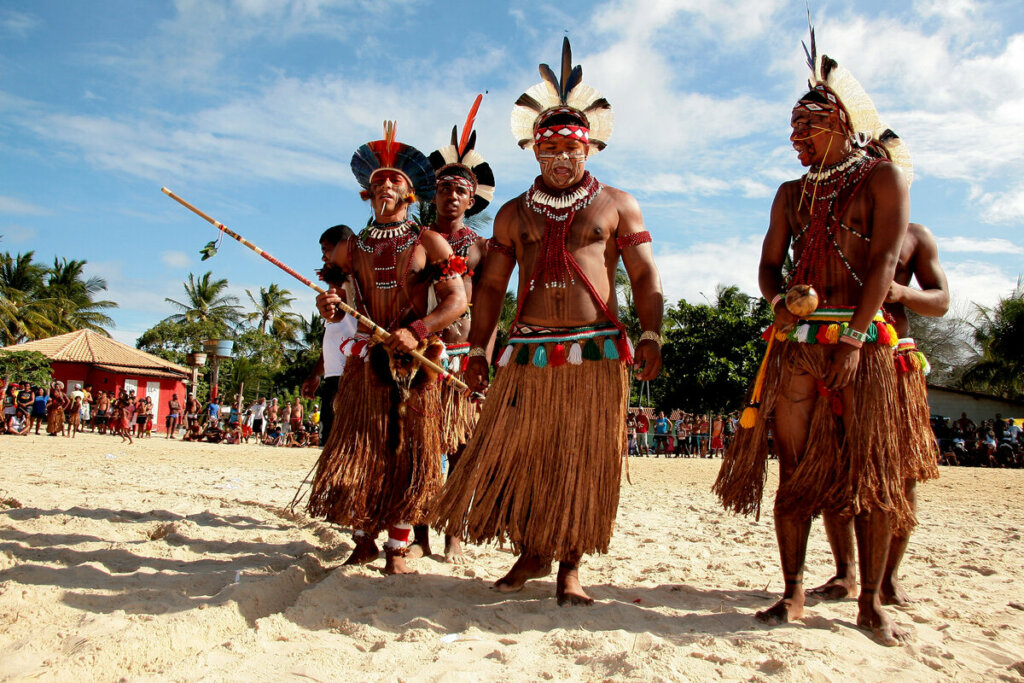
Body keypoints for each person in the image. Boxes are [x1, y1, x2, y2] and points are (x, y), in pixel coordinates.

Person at [430, 39, 663, 605]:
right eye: (549, 146)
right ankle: (532, 552)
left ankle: (569, 569)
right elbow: (489, 287)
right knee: (527, 454)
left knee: (579, 460)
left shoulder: (618, 205)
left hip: (597, 351)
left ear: (590, 149)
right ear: (533, 151)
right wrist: (481, 352)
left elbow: (646, 276)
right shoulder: (513, 213)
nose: (560, 157)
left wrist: (652, 333)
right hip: (529, 349)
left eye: (571, 147)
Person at [714, 25, 914, 646]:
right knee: (797, 467)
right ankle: (794, 590)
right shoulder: (790, 193)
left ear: (844, 123)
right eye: (792, 129)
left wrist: (855, 340)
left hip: (865, 343)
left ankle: (871, 602)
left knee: (873, 469)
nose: (796, 137)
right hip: (798, 345)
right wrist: (780, 302)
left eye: (810, 125)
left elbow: (882, 262)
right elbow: (768, 265)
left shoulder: (882, 180)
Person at [309, 120, 468, 574]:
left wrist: (418, 330)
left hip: (415, 367)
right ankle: (363, 541)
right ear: (366, 193)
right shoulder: (350, 248)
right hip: (365, 365)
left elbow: (457, 300)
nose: (385, 187)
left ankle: (398, 549)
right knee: (360, 451)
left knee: (408, 457)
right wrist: (331, 306)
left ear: (409, 193)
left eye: (394, 181)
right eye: (377, 181)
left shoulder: (428, 241)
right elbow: (339, 304)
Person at [807, 222, 949, 606]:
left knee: (900, 473)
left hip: (893, 359)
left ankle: (887, 577)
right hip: (835, 356)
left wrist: (901, 292)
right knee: (835, 466)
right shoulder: (824, 225)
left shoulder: (915, 236)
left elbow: (941, 301)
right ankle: (845, 573)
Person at [410, 95, 498, 563]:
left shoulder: (481, 248)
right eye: (443, 188)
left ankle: (454, 534)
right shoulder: (415, 238)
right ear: (433, 194)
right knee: (423, 444)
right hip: (423, 354)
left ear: (471, 198)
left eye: (459, 189)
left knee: (462, 447)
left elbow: (490, 308)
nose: (450, 194)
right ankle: (420, 532)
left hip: (463, 357)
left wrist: (484, 356)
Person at [302, 225, 358, 448]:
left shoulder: (359, 281)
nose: (324, 256)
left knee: (346, 444)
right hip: (333, 376)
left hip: (352, 372)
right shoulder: (336, 286)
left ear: (344, 249)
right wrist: (316, 374)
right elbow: (332, 336)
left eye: (327, 250)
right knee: (329, 443)